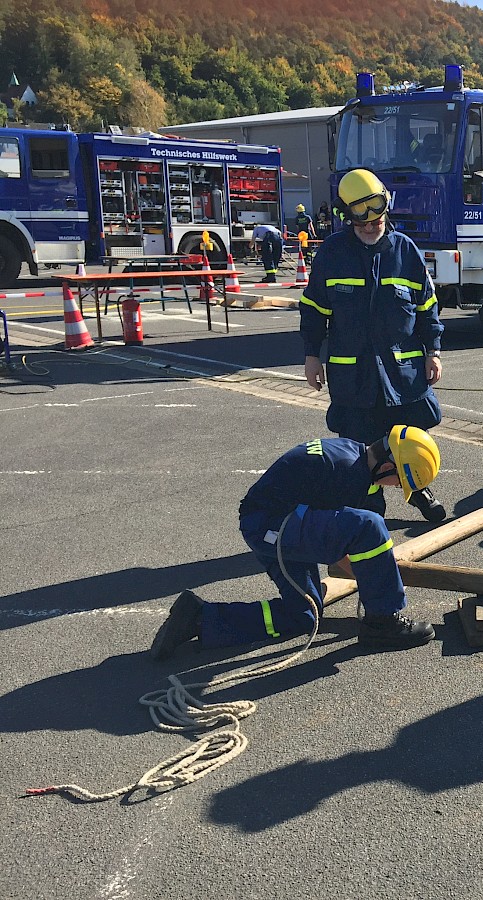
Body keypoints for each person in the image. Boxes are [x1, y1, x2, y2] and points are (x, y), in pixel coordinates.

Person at [148, 426, 442, 660]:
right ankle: (382, 623)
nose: (395, 489)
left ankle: (201, 618)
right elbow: (346, 547)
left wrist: (376, 574)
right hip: (271, 525)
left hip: (277, 525)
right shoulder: (345, 473)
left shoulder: (354, 460)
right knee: (370, 525)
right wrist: (381, 585)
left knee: (305, 615)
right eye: (399, 483)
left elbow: (340, 547)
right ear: (389, 465)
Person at [301, 168, 447, 523]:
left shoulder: (406, 252)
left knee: (409, 440)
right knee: (358, 449)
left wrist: (434, 350)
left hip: (402, 377)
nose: (370, 225)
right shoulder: (332, 255)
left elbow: (427, 307)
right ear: (346, 216)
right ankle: (370, 513)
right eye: (360, 218)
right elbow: (314, 309)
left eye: (376, 214)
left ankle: (419, 491)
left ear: (386, 206)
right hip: (354, 378)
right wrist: (311, 356)